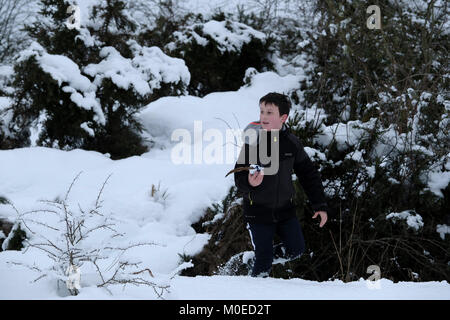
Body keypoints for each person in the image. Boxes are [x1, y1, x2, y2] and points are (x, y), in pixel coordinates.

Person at [233, 92, 329, 277]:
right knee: (264, 262)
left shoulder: (292, 144)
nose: (264, 117)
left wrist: (320, 205)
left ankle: (254, 259)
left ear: (283, 118)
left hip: (285, 211)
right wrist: (249, 182)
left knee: (296, 249)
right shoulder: (253, 142)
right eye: (262, 112)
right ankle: (255, 288)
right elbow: (238, 177)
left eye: (269, 112)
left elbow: (308, 175)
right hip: (257, 211)